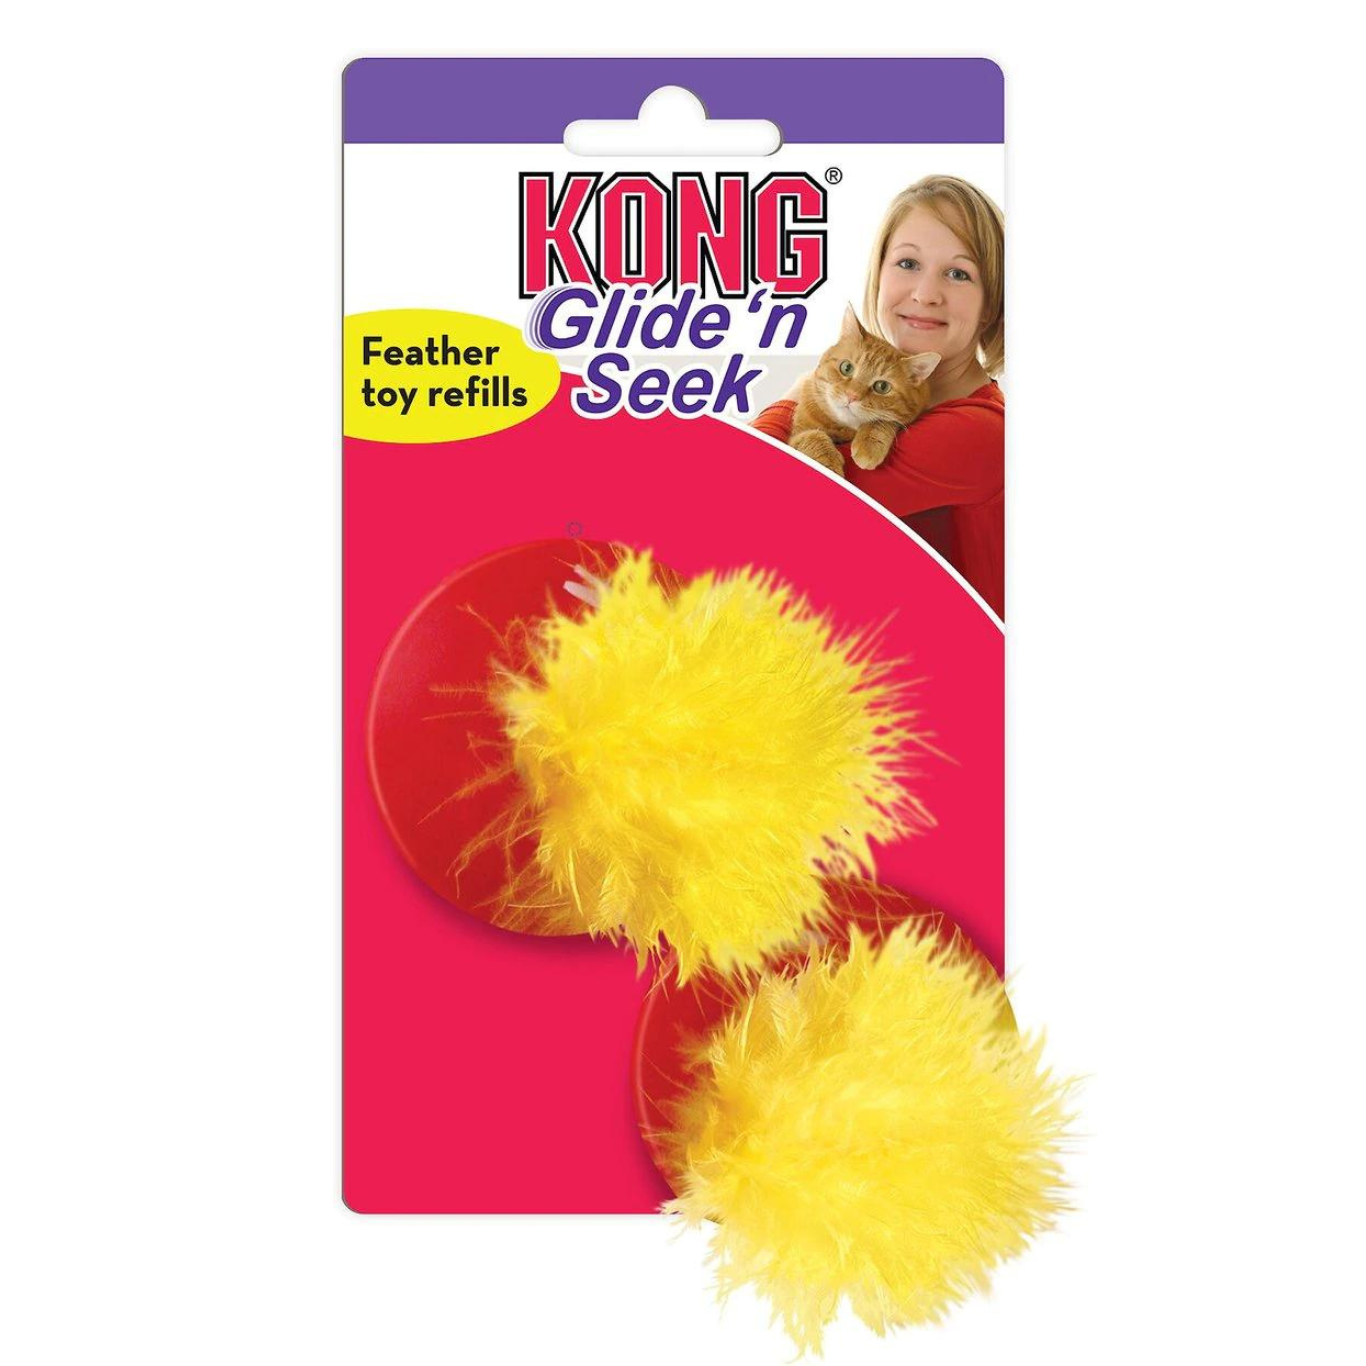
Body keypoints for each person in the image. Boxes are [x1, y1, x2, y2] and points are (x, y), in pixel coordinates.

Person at [752, 176, 1005, 619]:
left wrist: (804, 391)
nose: (925, 295)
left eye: (958, 274)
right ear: (879, 276)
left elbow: (743, 497)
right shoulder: (887, 410)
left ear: (991, 303)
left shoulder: (979, 431)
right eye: (908, 263)